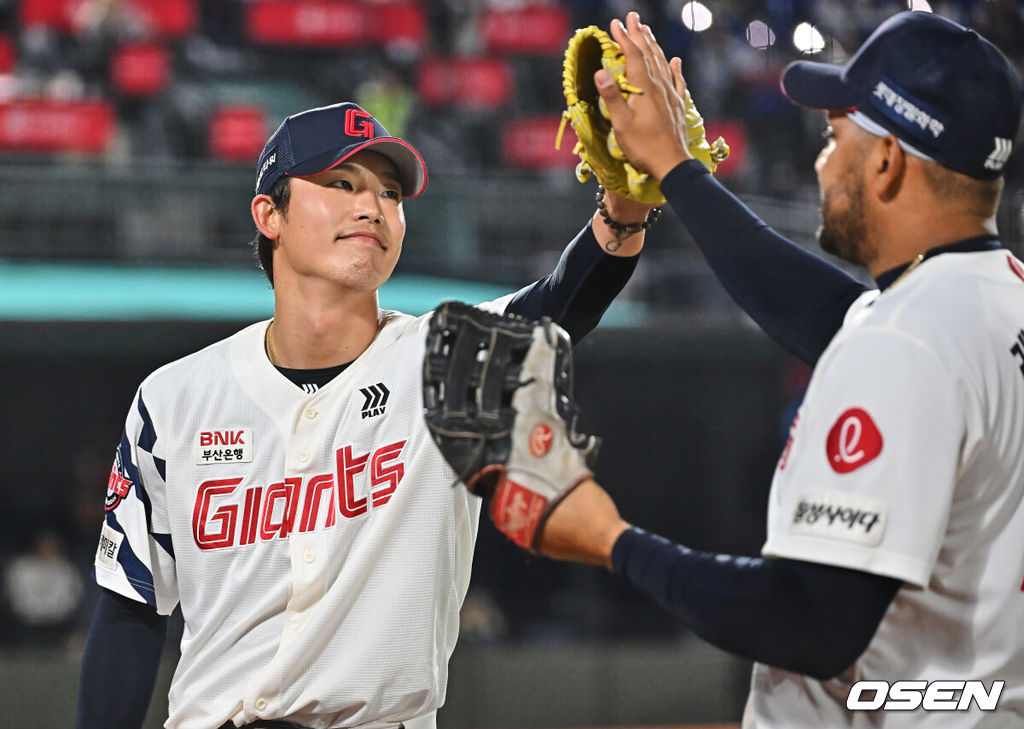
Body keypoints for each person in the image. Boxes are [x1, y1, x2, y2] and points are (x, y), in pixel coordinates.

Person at [76, 101, 656, 729]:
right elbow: (130, 608)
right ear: (269, 214)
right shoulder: (173, 399)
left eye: (390, 192)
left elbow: (564, 301)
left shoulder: (442, 360)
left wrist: (621, 213)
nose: (372, 206)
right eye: (340, 184)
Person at [529, 10, 1024, 726]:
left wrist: (610, 540)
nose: (823, 162)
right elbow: (821, 307)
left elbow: (810, 622)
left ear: (886, 163)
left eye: (835, 137)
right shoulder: (991, 297)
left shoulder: (905, 342)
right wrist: (678, 174)